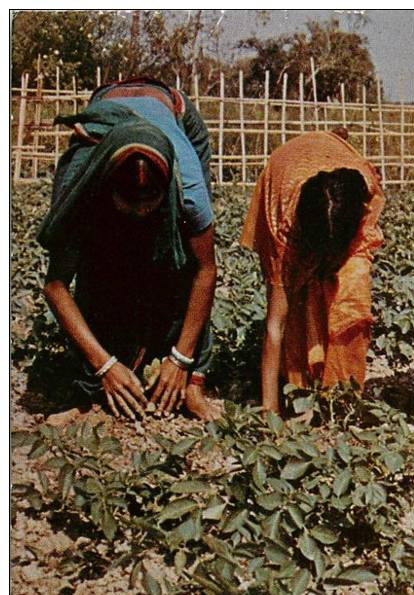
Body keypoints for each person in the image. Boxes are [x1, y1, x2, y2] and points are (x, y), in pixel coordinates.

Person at [37, 78, 218, 420]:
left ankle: (193, 382)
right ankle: (92, 388)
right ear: (107, 187)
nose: (140, 213)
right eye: (128, 204)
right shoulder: (81, 179)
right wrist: (104, 365)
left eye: (151, 204)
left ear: (168, 190)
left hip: (172, 110)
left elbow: (205, 271)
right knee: (102, 262)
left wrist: (181, 359)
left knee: (179, 262)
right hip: (107, 106)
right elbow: (56, 284)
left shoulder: (188, 186)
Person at [240, 128, 384, 414]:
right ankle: (298, 385)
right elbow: (274, 325)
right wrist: (269, 410)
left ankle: (342, 391)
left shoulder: (361, 192)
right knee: (294, 303)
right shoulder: (283, 227)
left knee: (352, 291)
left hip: (337, 177)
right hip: (285, 175)